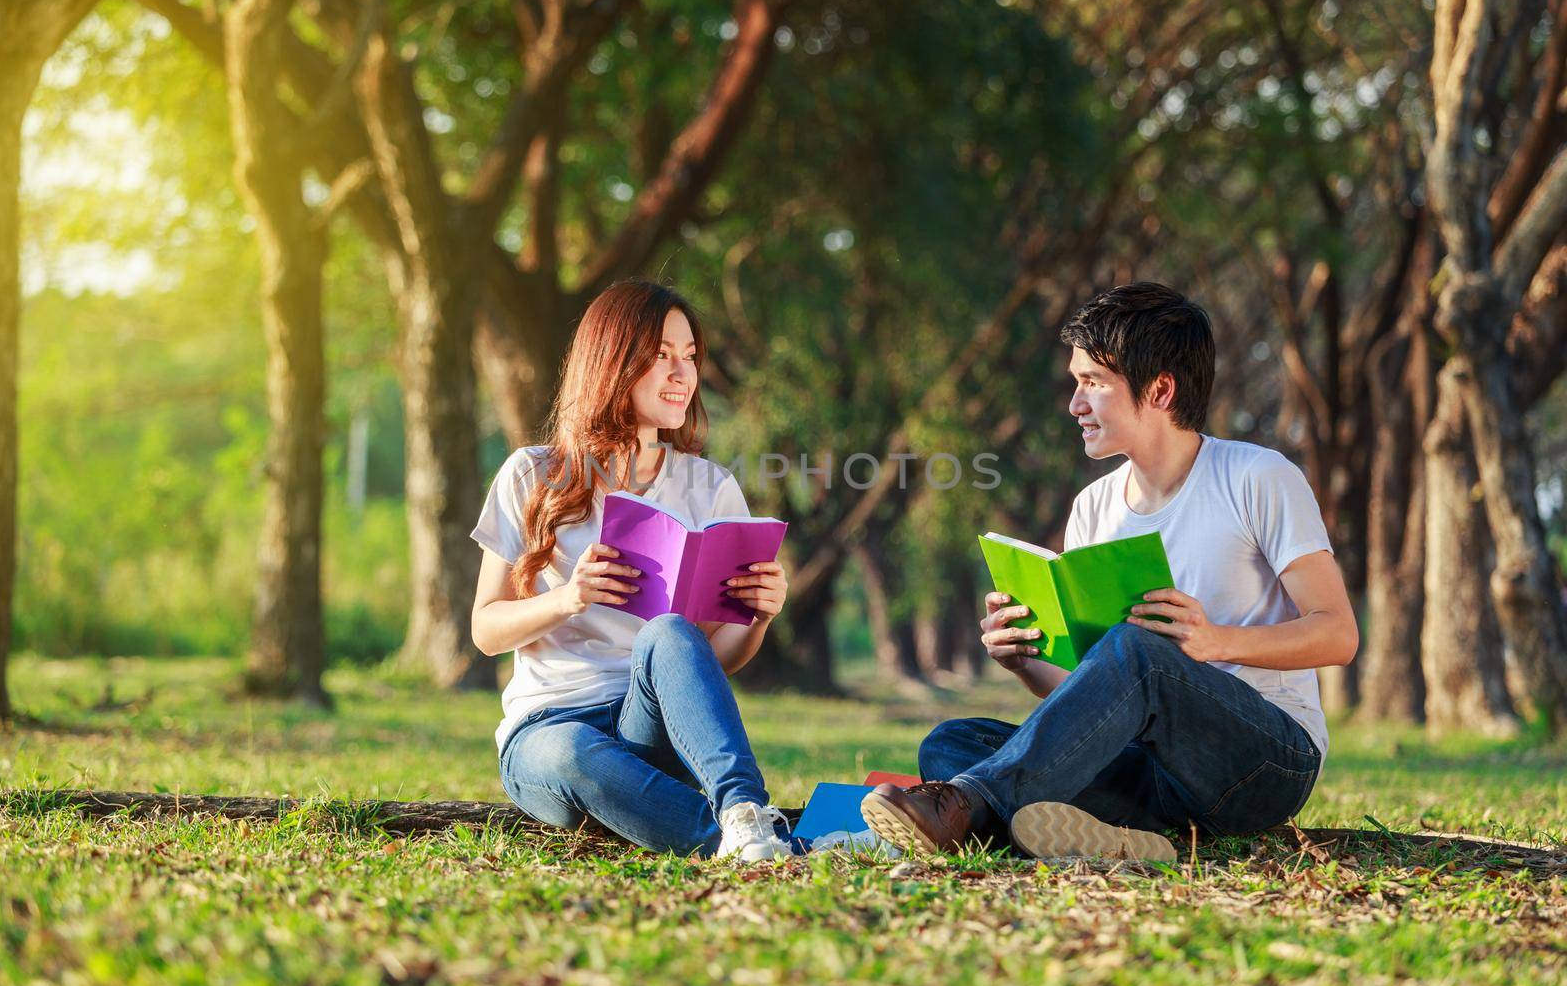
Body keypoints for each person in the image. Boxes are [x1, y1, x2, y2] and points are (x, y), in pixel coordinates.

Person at [861, 282, 1358, 861]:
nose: (1075, 404)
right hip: (1150, 774)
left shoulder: (1256, 477)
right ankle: (1124, 841)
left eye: (1093, 383)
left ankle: (971, 809)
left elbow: (1338, 633)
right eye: (1077, 383)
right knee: (953, 741)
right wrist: (1024, 661)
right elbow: (1094, 702)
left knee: (1139, 649)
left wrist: (1214, 642)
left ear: (1161, 389)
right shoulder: (1094, 507)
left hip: (1263, 763)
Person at [469, 279, 794, 861]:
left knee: (670, 632)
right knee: (572, 752)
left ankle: (746, 809)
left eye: (690, 356)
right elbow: (486, 630)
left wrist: (760, 616)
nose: (682, 374)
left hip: (652, 727)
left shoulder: (709, 486)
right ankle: (744, 841)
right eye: (661, 355)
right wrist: (568, 597)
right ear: (612, 360)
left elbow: (713, 665)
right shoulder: (531, 474)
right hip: (547, 728)